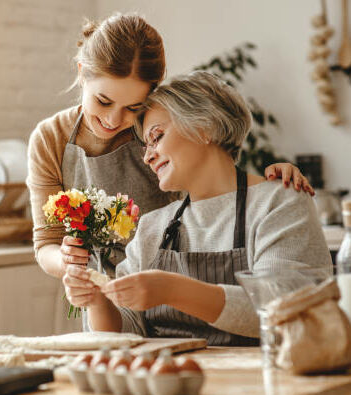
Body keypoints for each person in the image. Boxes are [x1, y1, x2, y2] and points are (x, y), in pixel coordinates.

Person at [27, 13, 312, 295]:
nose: (114, 120)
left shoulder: (155, 126)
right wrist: (69, 263)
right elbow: (46, 243)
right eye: (103, 101)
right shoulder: (51, 139)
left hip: (173, 293)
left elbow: (215, 181)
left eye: (132, 107)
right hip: (103, 298)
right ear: (81, 73)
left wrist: (272, 183)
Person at [64, 71, 331, 345]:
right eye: (145, 145)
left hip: (262, 380)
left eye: (157, 137)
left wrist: (172, 289)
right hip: (173, 382)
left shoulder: (278, 202)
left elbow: (284, 308)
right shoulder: (152, 227)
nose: (147, 156)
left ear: (204, 127)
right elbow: (127, 331)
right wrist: (97, 301)